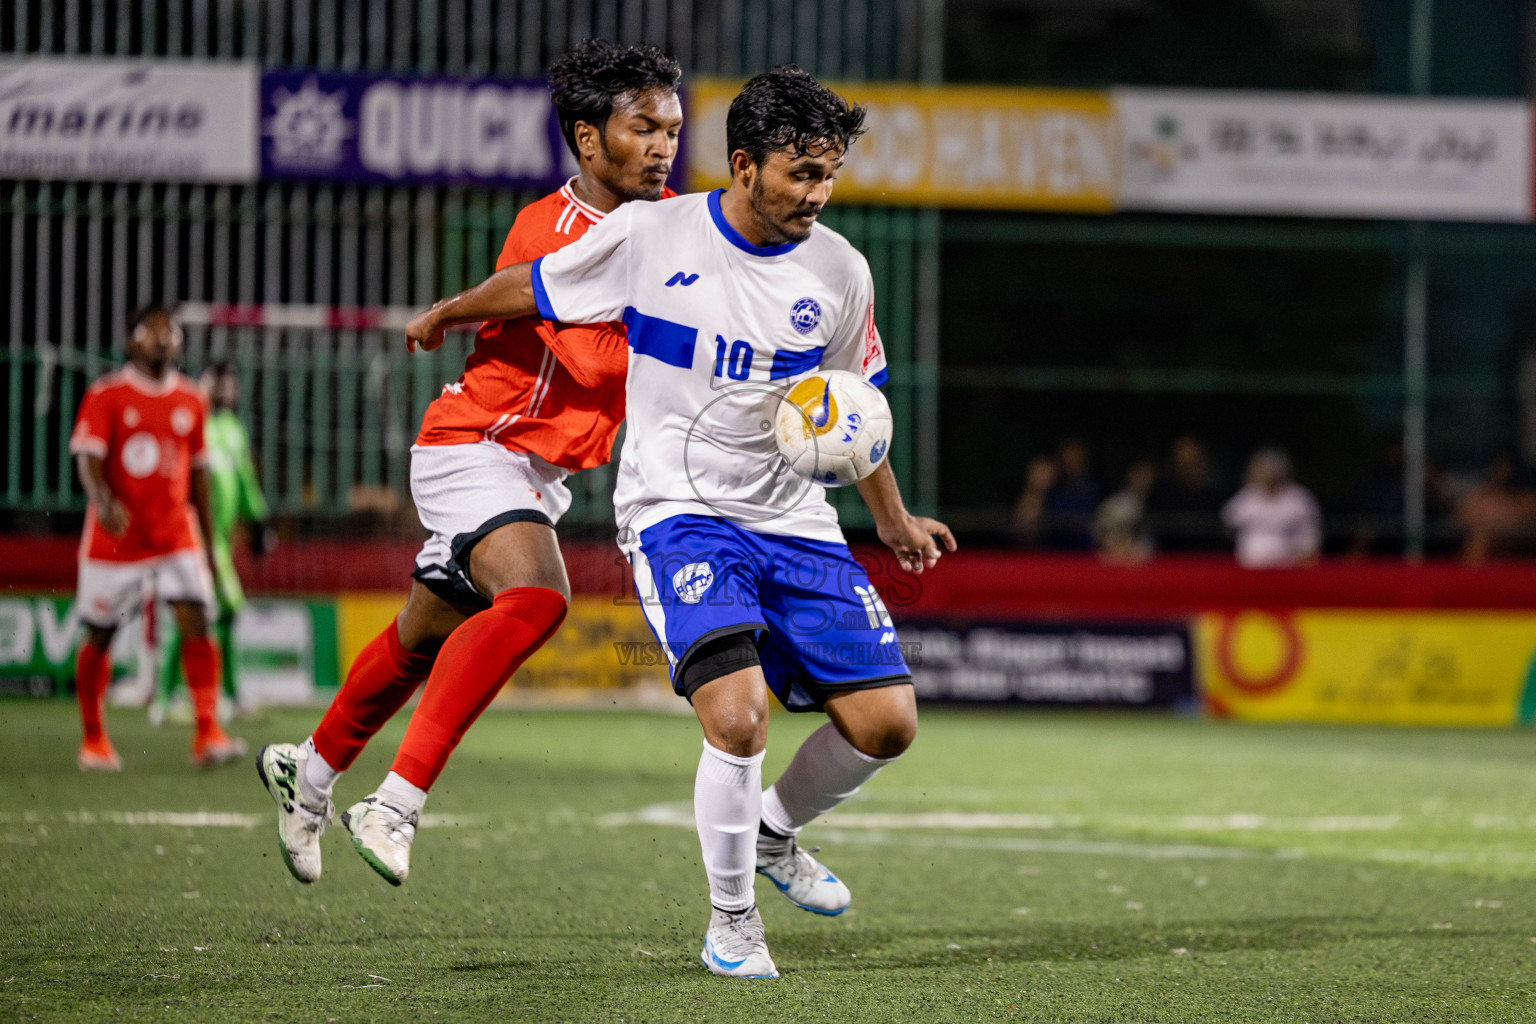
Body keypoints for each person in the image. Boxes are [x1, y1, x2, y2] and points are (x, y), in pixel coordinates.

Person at [402, 65, 954, 980]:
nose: (817, 194)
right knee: (737, 719)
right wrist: (447, 314)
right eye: (799, 174)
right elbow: (537, 285)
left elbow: (854, 413)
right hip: (679, 513)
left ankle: (773, 833)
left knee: (889, 725)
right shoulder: (652, 232)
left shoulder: (840, 272)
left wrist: (893, 521)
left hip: (795, 518)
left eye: (828, 175)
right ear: (743, 164)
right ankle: (731, 920)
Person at [256, 39, 684, 887]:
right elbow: (594, 357)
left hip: (536, 474)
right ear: (590, 140)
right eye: (644, 127)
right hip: (475, 448)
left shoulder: (669, 222)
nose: (666, 144)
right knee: (536, 598)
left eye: (673, 126)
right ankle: (397, 802)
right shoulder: (554, 227)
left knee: (420, 639)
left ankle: (305, 775)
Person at [68, 305, 247, 771]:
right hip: (117, 537)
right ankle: (93, 738)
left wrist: (210, 547)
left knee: (196, 618)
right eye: (151, 332)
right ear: (131, 341)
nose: (162, 339)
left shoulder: (191, 399)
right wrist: (102, 500)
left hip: (173, 532)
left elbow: (201, 476)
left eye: (170, 332)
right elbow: (87, 458)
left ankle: (207, 732)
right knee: (101, 633)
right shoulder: (107, 393)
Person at [154, 360, 271, 721]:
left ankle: (179, 696)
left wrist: (258, 520)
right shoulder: (192, 422)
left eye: (230, 384)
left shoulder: (234, 430)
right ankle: (171, 697)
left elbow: (245, 480)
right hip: (192, 535)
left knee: (205, 613)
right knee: (213, 609)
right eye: (218, 382)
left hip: (219, 539)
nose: (226, 390)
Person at [1221, 447, 1322, 568]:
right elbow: (1229, 523)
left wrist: (1308, 550)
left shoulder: (1298, 498)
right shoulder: (1247, 496)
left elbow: (1309, 529)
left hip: (1289, 566)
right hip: (1251, 565)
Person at [1146, 433, 1225, 551]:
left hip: (1207, 558)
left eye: (1190, 449)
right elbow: (1152, 526)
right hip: (1169, 558)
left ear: (1200, 453)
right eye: (1181, 450)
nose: (1186, 456)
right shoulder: (1162, 491)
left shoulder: (1216, 491)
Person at [1455, 449, 1536, 563]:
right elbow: (1461, 520)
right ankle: (1472, 578)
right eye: (1499, 467)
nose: (1503, 472)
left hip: (1522, 539)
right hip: (1489, 542)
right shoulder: (1481, 497)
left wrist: (1503, 529)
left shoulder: (1526, 497)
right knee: (1479, 540)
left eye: (1507, 467)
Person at [1094, 458, 1157, 563]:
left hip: (1143, 561)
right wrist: (1116, 547)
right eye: (1141, 474)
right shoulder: (1115, 503)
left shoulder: (1155, 504)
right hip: (1114, 558)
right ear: (1131, 474)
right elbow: (1098, 530)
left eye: (1149, 475)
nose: (1145, 479)